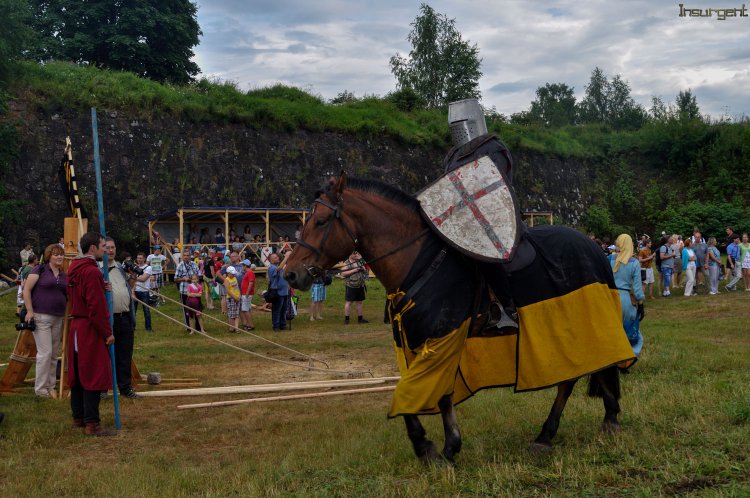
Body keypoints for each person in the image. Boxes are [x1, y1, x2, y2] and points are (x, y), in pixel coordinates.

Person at [67, 232, 116, 436]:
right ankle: (91, 424)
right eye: (103, 246)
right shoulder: (91, 272)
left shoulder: (74, 269)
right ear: (93, 248)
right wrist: (107, 332)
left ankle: (78, 417)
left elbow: (80, 294)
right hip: (89, 327)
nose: (105, 250)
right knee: (92, 374)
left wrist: (100, 287)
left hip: (77, 327)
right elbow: (95, 307)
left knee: (79, 374)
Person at [22, 244, 67, 398]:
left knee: (54, 353)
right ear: (49, 256)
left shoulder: (63, 275)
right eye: (56, 254)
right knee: (45, 353)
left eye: (61, 254)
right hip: (41, 316)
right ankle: (41, 389)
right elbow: (26, 290)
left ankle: (51, 386)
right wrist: (29, 311)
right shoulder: (39, 270)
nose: (59, 257)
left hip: (58, 317)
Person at [103, 238, 140, 399]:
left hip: (125, 317)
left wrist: (132, 277)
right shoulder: (98, 268)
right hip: (108, 319)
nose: (110, 250)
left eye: (113, 247)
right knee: (105, 355)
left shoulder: (119, 267)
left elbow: (128, 287)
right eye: (107, 248)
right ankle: (102, 389)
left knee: (125, 354)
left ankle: (125, 387)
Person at [609, 234, 645, 356]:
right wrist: (640, 303)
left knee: (613, 331)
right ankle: (629, 356)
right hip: (626, 299)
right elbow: (637, 288)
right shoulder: (634, 262)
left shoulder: (609, 259)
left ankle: (613, 357)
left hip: (611, 298)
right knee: (630, 330)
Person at [175, 249, 201, 333]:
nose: (186, 257)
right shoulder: (180, 265)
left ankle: (198, 327)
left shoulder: (194, 264)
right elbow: (175, 279)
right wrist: (183, 278)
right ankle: (189, 327)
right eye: (184, 255)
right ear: (182, 257)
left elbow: (199, 276)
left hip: (195, 291)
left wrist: (195, 280)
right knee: (187, 310)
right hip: (184, 291)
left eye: (187, 255)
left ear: (190, 256)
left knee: (197, 309)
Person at [341, 251, 369, 324]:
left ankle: (360, 319)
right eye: (354, 253)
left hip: (360, 285)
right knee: (349, 303)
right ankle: (346, 319)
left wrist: (361, 263)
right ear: (350, 255)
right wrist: (354, 270)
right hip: (351, 286)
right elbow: (343, 273)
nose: (356, 255)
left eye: (356, 253)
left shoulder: (359, 262)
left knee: (359, 302)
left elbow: (365, 271)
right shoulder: (347, 263)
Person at [267, 252, 289, 331]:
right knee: (277, 310)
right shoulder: (272, 268)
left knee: (284, 309)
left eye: (277, 257)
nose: (278, 258)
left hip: (284, 291)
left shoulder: (279, 266)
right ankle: (276, 325)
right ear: (271, 261)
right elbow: (279, 269)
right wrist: (286, 257)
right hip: (277, 292)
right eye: (275, 258)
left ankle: (282, 324)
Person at [132, 253, 153, 332]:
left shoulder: (148, 268)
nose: (139, 260)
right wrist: (133, 292)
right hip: (136, 290)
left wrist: (133, 277)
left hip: (144, 291)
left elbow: (144, 279)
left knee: (146, 310)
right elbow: (133, 282)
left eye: (141, 258)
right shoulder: (135, 268)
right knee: (133, 311)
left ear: (144, 259)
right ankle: (132, 328)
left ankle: (148, 328)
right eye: (138, 258)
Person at [223, 266, 241, 332]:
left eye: (234, 273)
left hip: (237, 298)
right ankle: (231, 327)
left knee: (237, 314)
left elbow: (237, 287)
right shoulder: (227, 280)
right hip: (231, 299)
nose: (233, 274)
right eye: (232, 273)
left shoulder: (235, 278)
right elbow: (228, 291)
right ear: (228, 273)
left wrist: (239, 295)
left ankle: (236, 328)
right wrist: (234, 297)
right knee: (232, 314)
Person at [240, 259, 255, 331]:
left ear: (245, 266)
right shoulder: (248, 272)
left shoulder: (250, 272)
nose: (242, 266)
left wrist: (247, 293)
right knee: (247, 309)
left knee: (245, 309)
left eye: (242, 265)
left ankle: (250, 324)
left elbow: (251, 282)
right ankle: (249, 324)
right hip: (245, 293)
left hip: (246, 294)